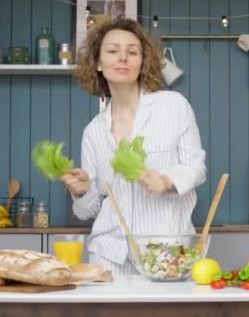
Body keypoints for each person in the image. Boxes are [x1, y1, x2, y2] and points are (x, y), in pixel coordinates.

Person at [60, 18, 206, 276]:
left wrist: (167, 180)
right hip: (109, 256)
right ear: (97, 63)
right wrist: (82, 192)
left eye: (132, 52)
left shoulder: (174, 106)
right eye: (112, 51)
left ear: (142, 62)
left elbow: (197, 168)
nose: (123, 58)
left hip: (166, 251)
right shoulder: (93, 132)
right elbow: (87, 211)